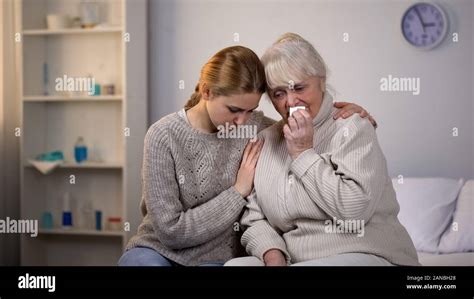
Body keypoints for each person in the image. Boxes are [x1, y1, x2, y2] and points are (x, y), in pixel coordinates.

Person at [118, 45, 376, 266]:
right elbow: (171, 231)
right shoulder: (162, 136)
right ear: (206, 91)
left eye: (250, 110)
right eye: (233, 109)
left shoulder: (258, 129)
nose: (242, 121)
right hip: (157, 250)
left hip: (219, 257)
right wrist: (237, 191)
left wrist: (348, 114)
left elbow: (305, 127)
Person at [225, 34, 419, 266]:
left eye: (299, 87)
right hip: (295, 258)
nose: (291, 101)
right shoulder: (267, 140)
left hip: (365, 251)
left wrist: (302, 153)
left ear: (322, 81)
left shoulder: (353, 127)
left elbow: (354, 210)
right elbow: (254, 217)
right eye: (279, 93)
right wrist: (272, 253)